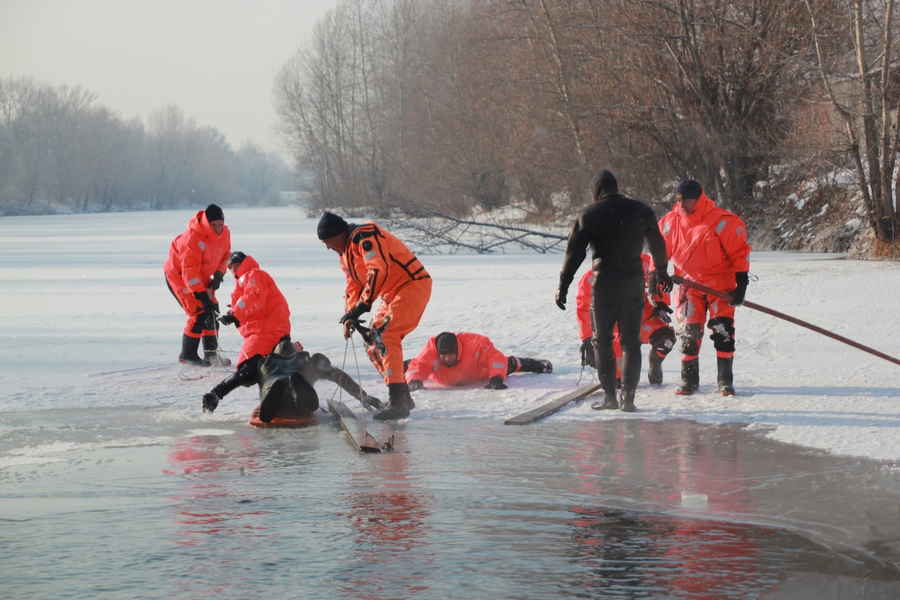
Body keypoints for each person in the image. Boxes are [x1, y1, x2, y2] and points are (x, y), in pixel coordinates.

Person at [201, 252, 381, 421]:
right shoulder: (301, 359)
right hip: (290, 381)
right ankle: (295, 391)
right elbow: (337, 375)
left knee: (267, 373)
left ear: (235, 265)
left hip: (269, 354)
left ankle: (286, 389)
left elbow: (239, 376)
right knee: (301, 369)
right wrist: (363, 396)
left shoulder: (252, 276)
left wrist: (215, 393)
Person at [555, 170, 672, 412]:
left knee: (603, 342)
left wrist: (563, 285)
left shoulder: (589, 214)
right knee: (631, 343)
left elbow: (573, 254)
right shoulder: (641, 210)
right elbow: (658, 243)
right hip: (632, 281)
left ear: (597, 191)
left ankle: (609, 397)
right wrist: (661, 271)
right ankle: (628, 400)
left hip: (604, 282)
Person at [317, 212, 432, 420]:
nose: (328, 247)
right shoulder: (345, 255)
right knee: (372, 342)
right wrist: (350, 314)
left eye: (328, 242)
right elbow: (353, 286)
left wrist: (363, 305)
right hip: (391, 294)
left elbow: (378, 270)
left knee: (386, 335)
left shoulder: (365, 237)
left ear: (339, 234)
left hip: (412, 285)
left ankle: (398, 402)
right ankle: (403, 395)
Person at [658, 179, 750, 396]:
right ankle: (689, 380)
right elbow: (660, 251)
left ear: (699, 198)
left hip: (721, 286)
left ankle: (725, 381)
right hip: (689, 285)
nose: (686, 205)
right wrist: (658, 273)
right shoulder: (671, 223)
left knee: (722, 330)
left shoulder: (721, 221)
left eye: (690, 200)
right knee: (689, 333)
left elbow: (739, 252)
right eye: (682, 200)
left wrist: (741, 283)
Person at [575, 253, 676, 385]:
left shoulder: (643, 262)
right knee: (619, 381)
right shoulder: (589, 280)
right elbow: (583, 309)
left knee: (665, 340)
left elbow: (658, 278)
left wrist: (660, 303)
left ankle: (655, 362)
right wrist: (587, 338)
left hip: (644, 318)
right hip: (615, 330)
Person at [163, 203, 231, 366]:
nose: (217, 228)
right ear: (207, 223)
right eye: (214, 225)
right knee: (199, 312)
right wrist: (200, 294)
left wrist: (219, 275)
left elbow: (226, 256)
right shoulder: (193, 238)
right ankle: (188, 355)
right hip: (179, 277)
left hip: (203, 277)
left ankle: (211, 355)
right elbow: (189, 272)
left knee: (212, 312)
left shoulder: (225, 234)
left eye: (220, 224)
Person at [404, 331, 553, 390]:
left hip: (477, 372)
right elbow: (419, 365)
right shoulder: (431, 351)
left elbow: (496, 358)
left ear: (457, 351)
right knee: (411, 365)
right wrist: (413, 380)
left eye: (450, 355)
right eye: (443, 355)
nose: (446, 359)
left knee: (509, 364)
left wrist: (496, 377)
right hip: (444, 378)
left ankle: (539, 365)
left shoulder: (475, 344)